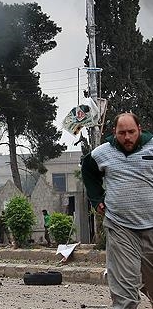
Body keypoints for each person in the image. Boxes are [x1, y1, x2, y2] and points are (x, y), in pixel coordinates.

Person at [82, 112, 153, 308]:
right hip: (120, 226)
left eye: (131, 132)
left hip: (151, 225)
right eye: (122, 133)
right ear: (115, 132)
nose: (127, 137)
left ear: (140, 129)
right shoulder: (102, 152)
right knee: (124, 291)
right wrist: (96, 198)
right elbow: (87, 170)